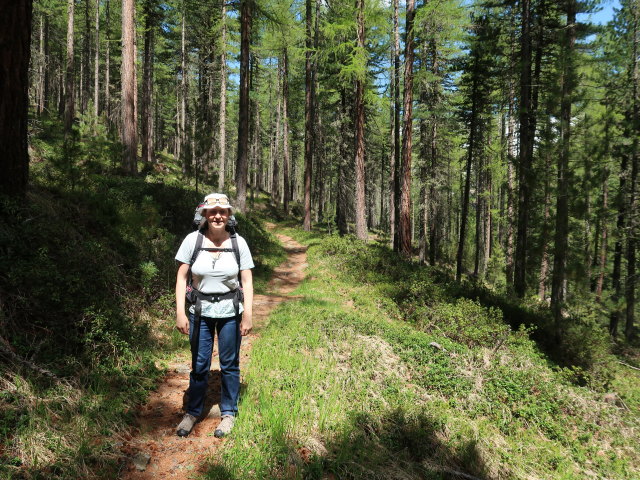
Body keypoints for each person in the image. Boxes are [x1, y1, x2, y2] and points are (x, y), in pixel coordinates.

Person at [174, 193, 254, 438]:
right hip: (200, 311)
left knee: (229, 365)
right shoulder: (192, 241)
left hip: (230, 312)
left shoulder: (239, 243)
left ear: (229, 215)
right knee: (200, 364)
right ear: (204, 215)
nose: (217, 216)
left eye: (222, 211)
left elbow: (247, 281)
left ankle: (228, 412)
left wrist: (248, 314)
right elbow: (181, 278)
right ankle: (193, 412)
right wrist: (179, 312)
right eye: (212, 211)